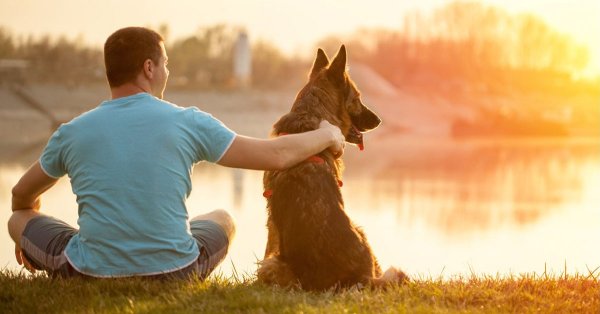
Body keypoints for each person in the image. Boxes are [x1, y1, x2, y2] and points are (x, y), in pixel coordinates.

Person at [7, 27, 345, 279]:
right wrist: (327, 133)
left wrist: (30, 222)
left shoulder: (72, 132)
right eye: (165, 64)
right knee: (223, 219)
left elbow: (20, 196)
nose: (167, 72)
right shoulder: (188, 122)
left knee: (17, 219)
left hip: (88, 271)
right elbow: (276, 156)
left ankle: (68, 256)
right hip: (177, 271)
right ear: (149, 68)